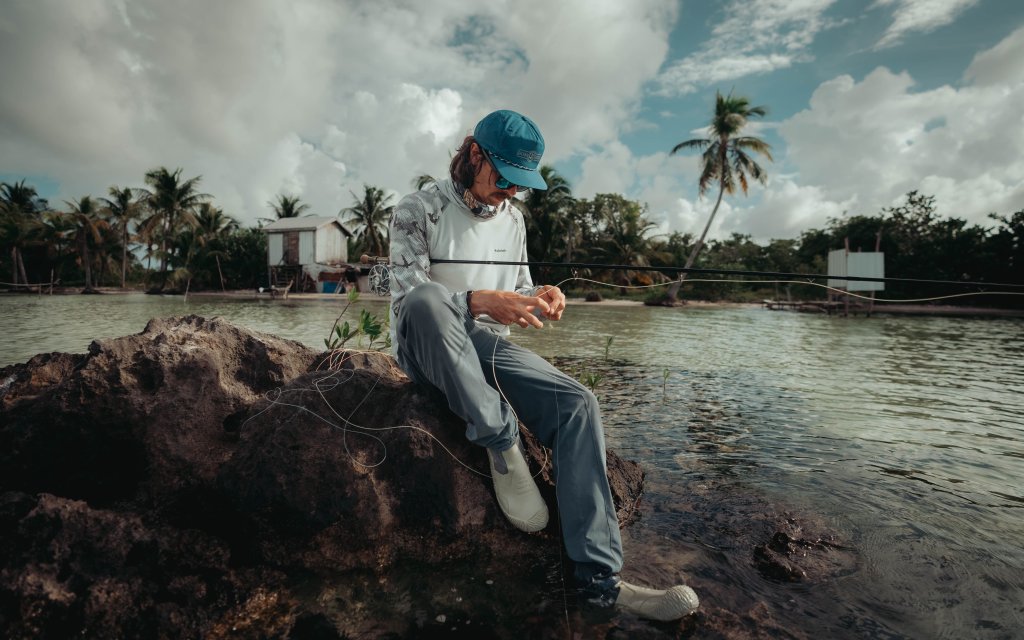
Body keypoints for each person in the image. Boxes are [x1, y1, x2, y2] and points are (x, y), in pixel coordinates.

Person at [388, 109, 699, 621]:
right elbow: (406, 292)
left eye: (519, 184)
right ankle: (500, 438)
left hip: (485, 348)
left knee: (579, 403)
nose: (510, 191)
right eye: (503, 177)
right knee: (427, 302)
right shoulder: (417, 208)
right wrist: (482, 302)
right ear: (473, 155)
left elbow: (519, 288)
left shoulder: (513, 220)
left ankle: (599, 580)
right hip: (426, 344)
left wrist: (543, 294)